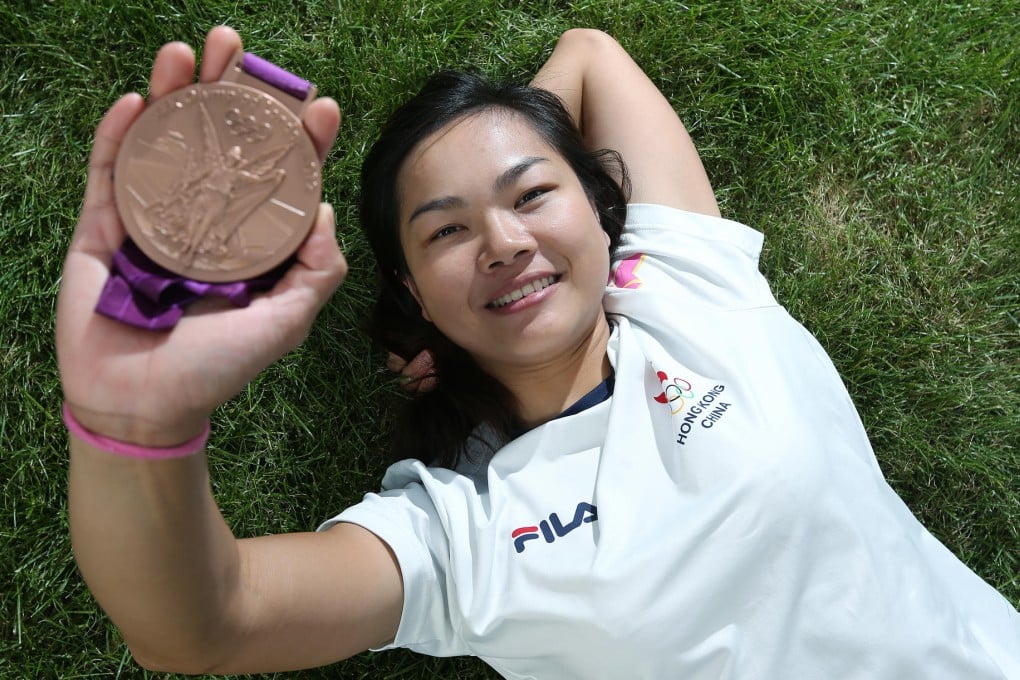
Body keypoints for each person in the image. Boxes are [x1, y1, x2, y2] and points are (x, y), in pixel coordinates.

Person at [58, 25, 1019, 679]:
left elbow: (592, 54)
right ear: (413, 296)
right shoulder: (460, 527)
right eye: (444, 234)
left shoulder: (687, 285)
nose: (506, 242)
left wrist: (493, 135)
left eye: (531, 197)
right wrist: (133, 422)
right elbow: (200, 624)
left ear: (607, 210)